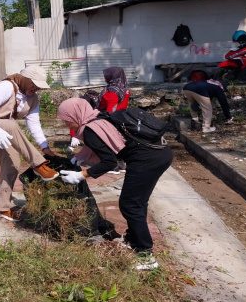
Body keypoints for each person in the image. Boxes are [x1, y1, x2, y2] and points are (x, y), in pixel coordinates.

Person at [57, 98, 173, 270]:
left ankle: (145, 254)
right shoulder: (97, 118)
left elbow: (109, 162)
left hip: (147, 159)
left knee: (130, 204)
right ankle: (133, 239)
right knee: (137, 202)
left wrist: (82, 175)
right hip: (160, 154)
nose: (66, 123)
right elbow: (99, 146)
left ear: (75, 114)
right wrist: (79, 157)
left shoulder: (90, 129)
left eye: (67, 119)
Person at [0, 66, 59, 222]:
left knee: (13, 164)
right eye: (34, 83)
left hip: (3, 133)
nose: (36, 88)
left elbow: (34, 123)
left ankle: (1, 208)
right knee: (12, 125)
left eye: (39, 85)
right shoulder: (6, 86)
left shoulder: (33, 98)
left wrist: (45, 146)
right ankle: (38, 165)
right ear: (24, 79)